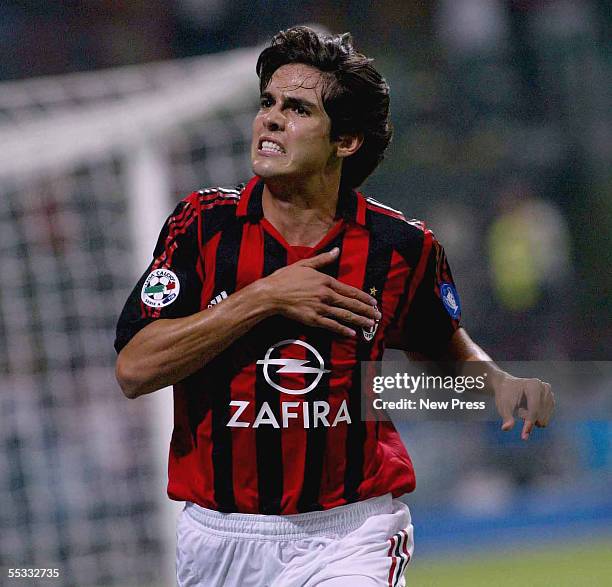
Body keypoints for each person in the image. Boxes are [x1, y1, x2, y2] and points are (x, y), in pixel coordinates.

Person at [114, 26, 554, 587]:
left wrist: (500, 384)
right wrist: (263, 297)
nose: (270, 119)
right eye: (268, 102)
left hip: (351, 532)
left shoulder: (401, 247)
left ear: (345, 141)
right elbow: (134, 368)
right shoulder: (202, 226)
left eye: (297, 108)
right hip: (220, 538)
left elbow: (442, 344)